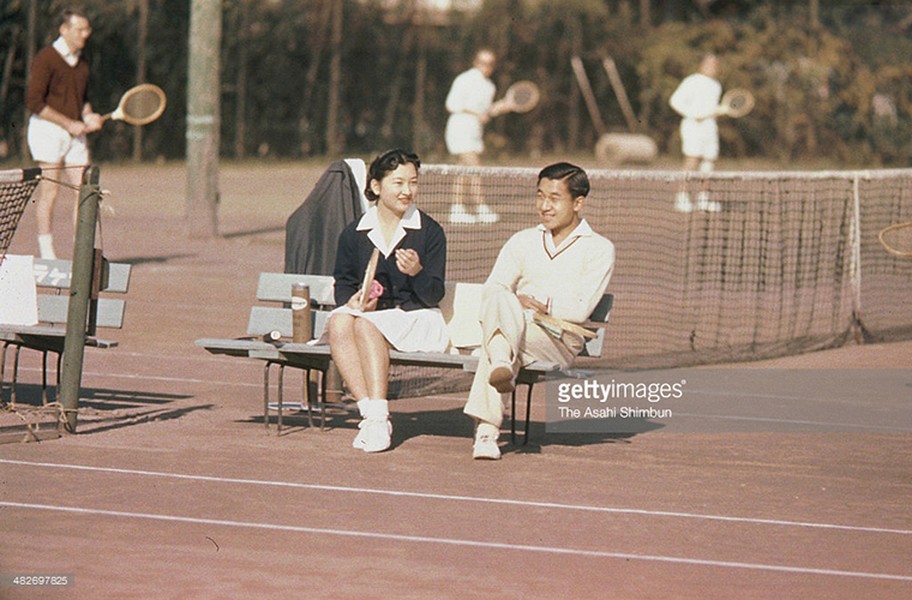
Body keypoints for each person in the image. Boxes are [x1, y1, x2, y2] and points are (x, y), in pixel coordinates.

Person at [464, 162, 615, 460]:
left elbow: (581, 308)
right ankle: (488, 425)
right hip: (516, 329)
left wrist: (538, 302)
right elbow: (493, 288)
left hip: (560, 339)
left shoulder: (599, 248)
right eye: (540, 196)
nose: (544, 206)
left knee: (500, 339)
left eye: (554, 198)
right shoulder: (522, 240)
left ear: (578, 202)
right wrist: (514, 302)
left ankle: (496, 377)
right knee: (502, 307)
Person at [327, 149, 448, 453]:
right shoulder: (353, 233)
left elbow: (434, 294)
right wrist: (354, 299)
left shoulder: (430, 231)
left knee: (367, 327)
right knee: (339, 321)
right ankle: (372, 416)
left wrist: (418, 273)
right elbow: (343, 283)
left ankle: (378, 420)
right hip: (371, 319)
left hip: (419, 318)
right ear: (377, 186)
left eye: (413, 182)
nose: (408, 191)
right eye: (398, 183)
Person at [25, 7, 103, 259]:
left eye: (87, 29)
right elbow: (34, 102)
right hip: (47, 131)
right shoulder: (46, 58)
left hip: (74, 136)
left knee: (85, 191)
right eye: (80, 29)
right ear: (64, 29)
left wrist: (89, 115)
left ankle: (81, 255)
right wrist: (68, 124)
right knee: (50, 192)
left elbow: (83, 99)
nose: (85, 34)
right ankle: (48, 255)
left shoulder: (83, 62)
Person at [444, 48, 500, 225]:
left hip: (475, 132)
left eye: (490, 64)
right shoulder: (464, 79)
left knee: (463, 171)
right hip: (459, 128)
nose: (486, 67)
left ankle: (457, 209)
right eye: (483, 62)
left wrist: (499, 108)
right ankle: (481, 207)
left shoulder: (490, 86)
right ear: (476, 62)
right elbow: (451, 104)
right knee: (475, 168)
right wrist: (477, 113)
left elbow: (486, 112)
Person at [669, 53, 723, 213]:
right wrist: (693, 114)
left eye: (715, 64)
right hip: (693, 126)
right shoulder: (692, 81)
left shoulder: (716, 86)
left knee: (709, 162)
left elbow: (711, 108)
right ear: (702, 65)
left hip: (710, 127)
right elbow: (675, 101)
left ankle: (703, 198)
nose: (713, 67)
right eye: (709, 63)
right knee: (692, 160)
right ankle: (682, 197)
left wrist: (715, 112)